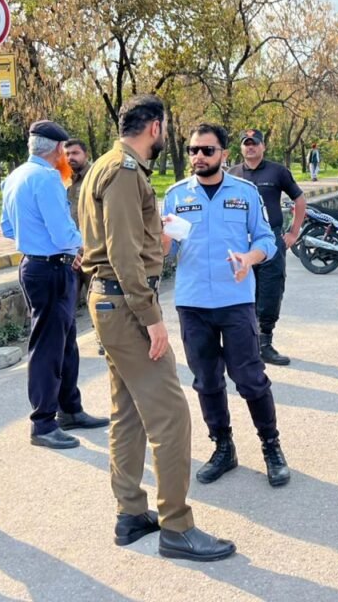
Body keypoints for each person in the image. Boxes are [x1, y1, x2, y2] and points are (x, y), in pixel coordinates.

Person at [79, 96, 235, 561]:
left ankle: (131, 514)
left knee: (127, 412)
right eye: (165, 127)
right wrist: (152, 320)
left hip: (110, 299)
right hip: (127, 304)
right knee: (171, 416)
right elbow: (124, 256)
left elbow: (119, 241)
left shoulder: (107, 165)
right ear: (154, 126)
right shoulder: (126, 172)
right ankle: (176, 526)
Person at [162, 124, 290, 488]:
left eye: (206, 150)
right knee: (206, 381)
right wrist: (159, 238)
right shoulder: (175, 196)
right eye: (192, 150)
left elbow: (268, 239)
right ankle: (223, 447)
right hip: (193, 303)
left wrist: (249, 258)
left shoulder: (246, 193)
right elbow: (165, 251)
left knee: (250, 379)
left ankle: (271, 446)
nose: (198, 157)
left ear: (223, 154)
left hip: (236, 303)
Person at [1, 120, 108, 451]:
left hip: (36, 265)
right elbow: (63, 234)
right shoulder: (47, 178)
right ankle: (43, 423)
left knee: (64, 342)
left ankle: (69, 409)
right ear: (58, 150)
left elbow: (7, 228)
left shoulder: (16, 176)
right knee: (49, 346)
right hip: (50, 269)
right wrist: (83, 245)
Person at [228, 128, 306, 366]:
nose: (250, 147)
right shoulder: (232, 174)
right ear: (241, 147)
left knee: (270, 291)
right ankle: (243, 344)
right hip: (242, 243)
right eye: (246, 143)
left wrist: (293, 232)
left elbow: (299, 199)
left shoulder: (278, 171)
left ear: (263, 147)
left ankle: (264, 344)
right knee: (239, 292)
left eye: (255, 143)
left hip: (271, 240)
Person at [64, 138, 104, 355]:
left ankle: (103, 339)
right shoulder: (62, 180)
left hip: (92, 250)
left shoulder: (94, 177)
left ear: (86, 154)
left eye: (75, 153)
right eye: (67, 153)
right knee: (68, 300)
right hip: (70, 252)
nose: (71, 158)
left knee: (96, 298)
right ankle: (68, 344)